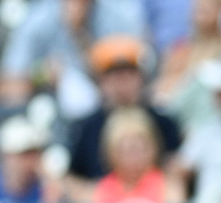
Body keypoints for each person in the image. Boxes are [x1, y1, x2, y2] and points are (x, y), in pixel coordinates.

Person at [0, 0, 145, 104]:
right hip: (53, 109)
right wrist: (42, 75)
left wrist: (79, 33)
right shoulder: (37, 16)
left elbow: (137, 74)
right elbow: (7, 85)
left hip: (112, 106)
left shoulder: (122, 10)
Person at [66, 35, 181, 181]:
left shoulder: (164, 124)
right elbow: (73, 177)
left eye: (129, 74)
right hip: (100, 200)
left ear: (141, 78)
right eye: (115, 76)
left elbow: (175, 171)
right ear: (101, 82)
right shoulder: (87, 128)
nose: (122, 83)